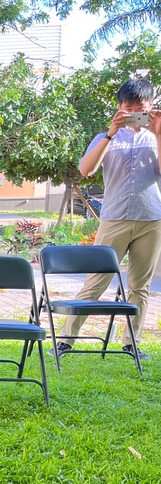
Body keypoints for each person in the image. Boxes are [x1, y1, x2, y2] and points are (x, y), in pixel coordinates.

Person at [54, 78, 161, 361]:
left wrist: (159, 134)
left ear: (151, 106)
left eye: (140, 107)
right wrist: (111, 134)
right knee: (96, 280)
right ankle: (66, 340)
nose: (134, 112)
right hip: (114, 217)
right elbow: (86, 169)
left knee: (140, 286)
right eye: (128, 107)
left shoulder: (156, 137)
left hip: (151, 219)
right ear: (119, 107)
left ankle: (131, 343)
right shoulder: (107, 137)